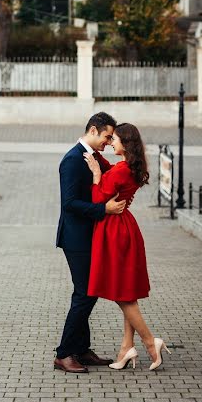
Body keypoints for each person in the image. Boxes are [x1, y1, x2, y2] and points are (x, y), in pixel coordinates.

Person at [83, 123, 171, 371]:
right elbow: (114, 179)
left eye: (115, 139)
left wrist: (97, 177)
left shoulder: (120, 171)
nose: (112, 142)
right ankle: (126, 348)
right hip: (125, 227)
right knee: (127, 291)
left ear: (126, 144)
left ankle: (150, 341)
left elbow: (98, 198)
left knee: (121, 294)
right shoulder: (128, 168)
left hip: (114, 230)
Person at [54, 112, 126, 374]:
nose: (108, 142)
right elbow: (69, 204)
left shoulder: (94, 156)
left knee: (88, 292)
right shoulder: (73, 160)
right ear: (93, 131)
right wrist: (103, 209)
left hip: (88, 236)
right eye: (107, 136)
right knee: (84, 293)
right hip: (75, 238)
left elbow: (116, 173)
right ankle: (64, 355)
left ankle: (81, 349)